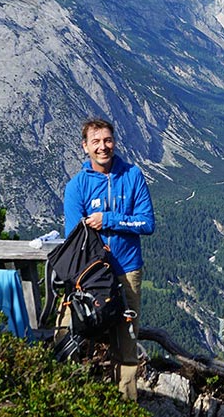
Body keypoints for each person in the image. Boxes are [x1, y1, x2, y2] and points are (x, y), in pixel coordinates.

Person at [63, 117, 155, 400]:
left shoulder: (133, 176)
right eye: (96, 142)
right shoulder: (76, 186)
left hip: (127, 270)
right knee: (72, 331)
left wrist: (109, 220)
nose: (103, 147)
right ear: (85, 147)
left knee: (127, 340)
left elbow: (147, 224)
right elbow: (73, 237)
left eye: (108, 140)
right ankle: (71, 395)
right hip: (91, 276)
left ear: (114, 142)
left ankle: (125, 401)